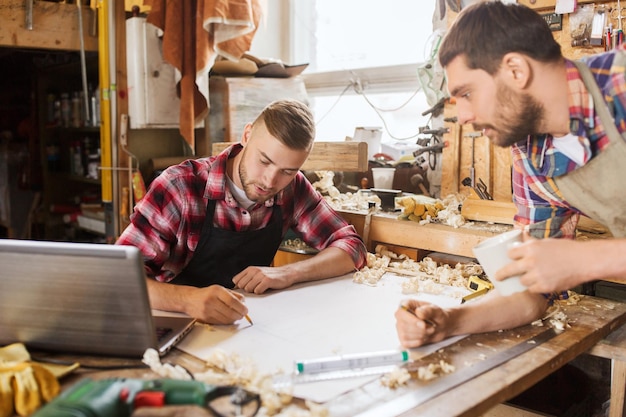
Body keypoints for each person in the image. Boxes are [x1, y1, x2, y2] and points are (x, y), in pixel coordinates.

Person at [398, 0, 626, 347]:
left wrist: (587, 260)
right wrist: (450, 321)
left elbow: (581, 262)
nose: (462, 116)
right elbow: (530, 293)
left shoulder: (620, 86)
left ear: (516, 70)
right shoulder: (534, 156)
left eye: (467, 93)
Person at [117, 99, 367, 325]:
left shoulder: (294, 188)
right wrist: (187, 300)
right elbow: (120, 279)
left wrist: (287, 273)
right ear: (247, 135)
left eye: (288, 171)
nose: (270, 181)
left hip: (246, 323)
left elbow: (352, 247)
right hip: (174, 320)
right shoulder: (179, 187)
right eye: (265, 161)